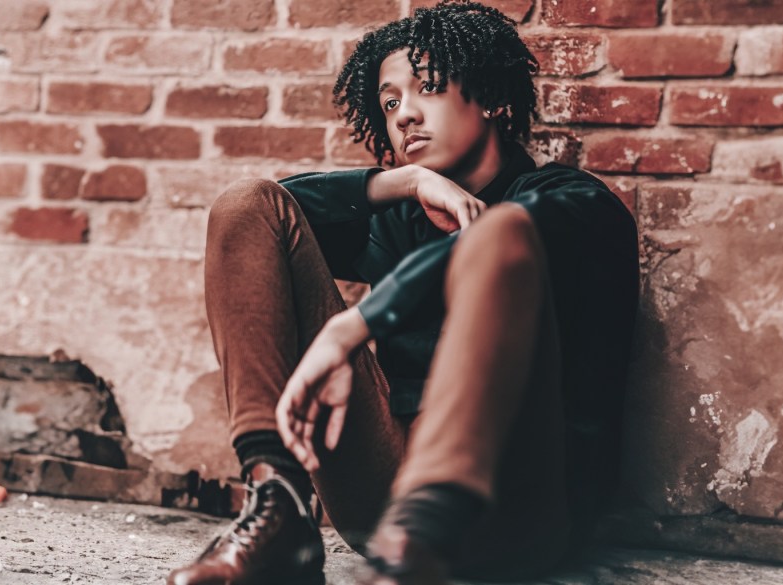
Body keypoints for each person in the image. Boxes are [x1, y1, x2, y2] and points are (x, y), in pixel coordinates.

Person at [167, 2, 639, 584]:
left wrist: (355, 324)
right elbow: (265, 214)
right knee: (243, 202)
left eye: (429, 88)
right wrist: (405, 182)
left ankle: (425, 531)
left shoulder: (574, 202)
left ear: (492, 97)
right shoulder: (399, 222)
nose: (406, 115)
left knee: (500, 234)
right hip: (383, 501)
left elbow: (502, 237)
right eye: (390, 103)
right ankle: (278, 505)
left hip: (515, 507)